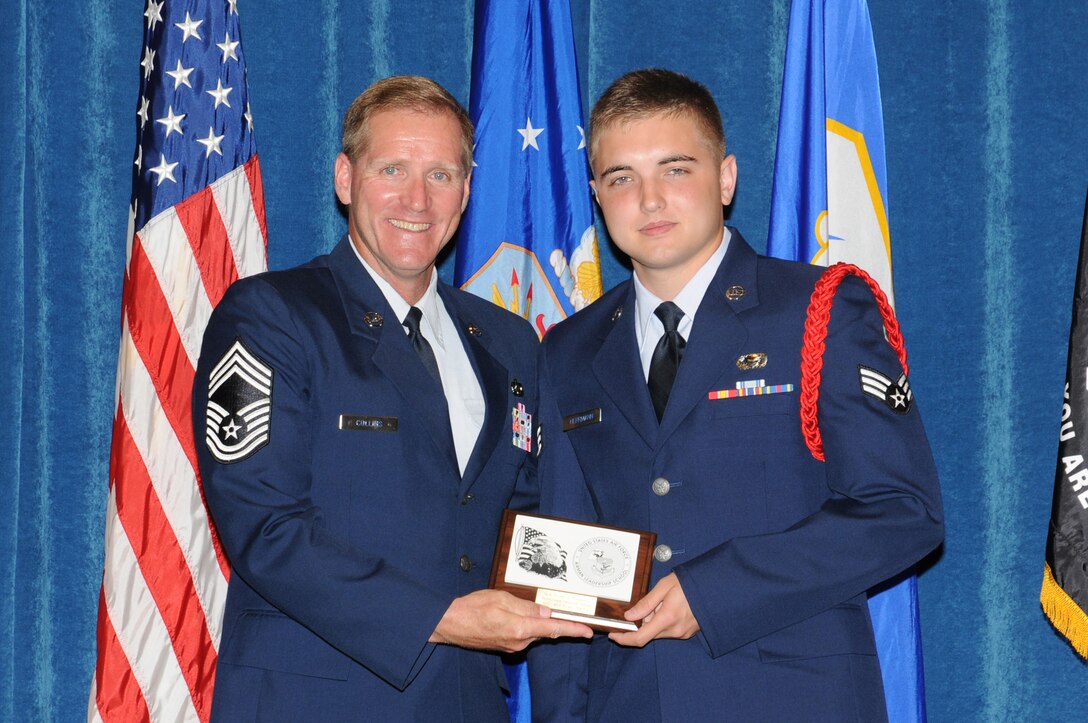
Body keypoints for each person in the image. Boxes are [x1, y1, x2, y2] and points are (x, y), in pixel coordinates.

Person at [528, 68, 943, 722]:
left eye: (675, 169)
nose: (650, 199)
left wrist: (716, 589)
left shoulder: (819, 310)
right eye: (621, 178)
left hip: (791, 699)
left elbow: (903, 510)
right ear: (596, 198)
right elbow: (567, 578)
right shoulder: (568, 349)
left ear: (726, 178)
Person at [193, 75, 591, 722]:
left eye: (441, 174)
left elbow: (524, 524)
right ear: (346, 180)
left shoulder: (509, 342)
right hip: (314, 702)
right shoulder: (273, 317)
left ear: (466, 192)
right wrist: (445, 617)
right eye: (394, 169)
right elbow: (264, 529)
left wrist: (641, 579)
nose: (417, 198)